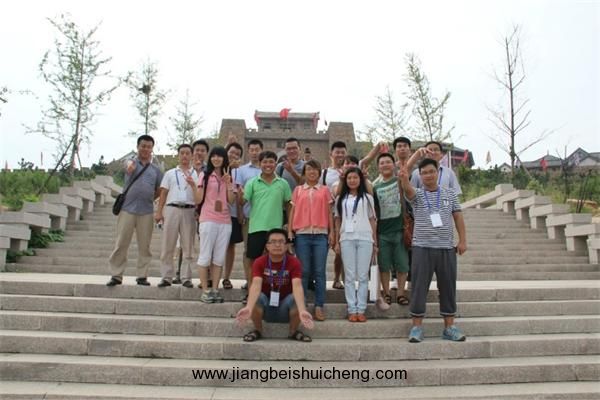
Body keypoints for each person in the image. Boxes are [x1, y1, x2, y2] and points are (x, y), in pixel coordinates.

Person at [398, 158, 467, 343]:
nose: (428, 175)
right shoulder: (418, 194)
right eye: (424, 173)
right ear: (420, 176)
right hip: (422, 247)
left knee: (448, 288)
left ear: (438, 172)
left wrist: (462, 240)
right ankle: (416, 328)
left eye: (431, 171)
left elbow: (458, 217)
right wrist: (405, 175)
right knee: (419, 288)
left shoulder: (450, 194)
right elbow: (407, 189)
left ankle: (449, 327)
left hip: (446, 248)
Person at [235, 228, 314, 342]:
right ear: (267, 246)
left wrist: (302, 310)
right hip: (265, 306)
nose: (277, 245)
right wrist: (249, 307)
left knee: (297, 298)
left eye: (281, 241)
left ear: (286, 246)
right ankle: (258, 330)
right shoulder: (259, 262)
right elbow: (256, 285)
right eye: (273, 242)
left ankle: (293, 332)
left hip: (285, 307)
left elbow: (297, 286)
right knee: (257, 297)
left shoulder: (294, 262)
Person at [107, 134, 163, 287]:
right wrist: (130, 165)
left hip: (146, 210)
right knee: (121, 243)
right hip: (127, 209)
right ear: (138, 147)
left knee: (145, 245)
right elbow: (127, 164)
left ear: (152, 149)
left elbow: (160, 189)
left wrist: (151, 197)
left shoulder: (156, 170)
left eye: (149, 147)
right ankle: (116, 274)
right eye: (143, 146)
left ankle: (142, 275)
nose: (145, 149)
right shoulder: (131, 162)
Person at [288, 159, 334, 321]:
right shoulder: (298, 190)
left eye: (315, 169)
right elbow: (292, 211)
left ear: (319, 172)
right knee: (304, 271)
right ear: (304, 173)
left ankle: (319, 305)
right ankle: (302, 305)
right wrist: (289, 231)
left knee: (320, 272)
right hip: (302, 235)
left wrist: (332, 232)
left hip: (321, 235)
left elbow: (329, 213)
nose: (312, 172)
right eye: (308, 169)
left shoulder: (325, 190)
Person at [334, 167, 377, 322]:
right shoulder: (341, 199)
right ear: (346, 180)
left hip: (365, 238)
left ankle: (361, 309)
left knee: (363, 275)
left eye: (355, 177)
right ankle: (352, 309)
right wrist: (337, 240)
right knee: (350, 275)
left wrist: (375, 242)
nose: (352, 180)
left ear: (360, 180)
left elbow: (372, 220)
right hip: (347, 238)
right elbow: (337, 220)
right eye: (349, 178)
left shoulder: (368, 198)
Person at [155, 144, 199, 288]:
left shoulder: (196, 174)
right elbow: (163, 193)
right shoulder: (170, 173)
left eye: (187, 153)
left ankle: (186, 277)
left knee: (188, 246)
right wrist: (159, 211)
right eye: (182, 153)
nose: (185, 156)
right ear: (178, 155)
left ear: (192, 155)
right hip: (172, 209)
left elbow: (199, 195)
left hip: (189, 210)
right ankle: (166, 276)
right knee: (168, 244)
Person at [242, 151, 292, 275]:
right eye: (264, 162)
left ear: (276, 164)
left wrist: (289, 225)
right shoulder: (252, 182)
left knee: (276, 261)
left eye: (271, 162)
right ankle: (252, 287)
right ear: (260, 164)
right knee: (253, 261)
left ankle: (273, 287)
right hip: (256, 228)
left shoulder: (283, 183)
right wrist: (236, 192)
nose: (268, 165)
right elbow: (242, 201)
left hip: (276, 229)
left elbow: (288, 204)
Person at [196, 146, 235, 303]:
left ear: (224, 158)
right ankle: (205, 290)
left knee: (219, 258)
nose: (216, 159)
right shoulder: (204, 175)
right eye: (214, 156)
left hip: (225, 221)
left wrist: (229, 184)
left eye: (219, 156)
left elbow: (231, 201)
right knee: (205, 256)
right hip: (208, 219)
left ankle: (215, 289)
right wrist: (193, 186)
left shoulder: (228, 177)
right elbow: (198, 199)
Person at [373, 153, 409, 305]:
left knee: (402, 264)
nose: (385, 165)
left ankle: (400, 293)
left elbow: (408, 166)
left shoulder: (398, 180)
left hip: (400, 229)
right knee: (384, 265)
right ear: (378, 167)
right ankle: (386, 293)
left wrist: (417, 154)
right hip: (382, 232)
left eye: (388, 162)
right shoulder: (375, 186)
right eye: (382, 163)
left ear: (393, 165)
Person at [235, 139, 263, 301]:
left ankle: (262, 283)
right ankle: (250, 281)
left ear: (261, 150)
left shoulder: (268, 169)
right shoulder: (242, 171)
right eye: (251, 149)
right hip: (249, 216)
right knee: (249, 251)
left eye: (257, 149)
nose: (254, 152)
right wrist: (240, 213)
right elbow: (239, 193)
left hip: (266, 218)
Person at [222, 142, 244, 290]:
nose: (234, 155)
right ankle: (210, 276)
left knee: (230, 246)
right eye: (232, 152)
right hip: (217, 214)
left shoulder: (240, 172)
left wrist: (240, 213)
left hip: (233, 214)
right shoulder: (218, 168)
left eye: (237, 154)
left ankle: (226, 277)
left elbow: (240, 193)